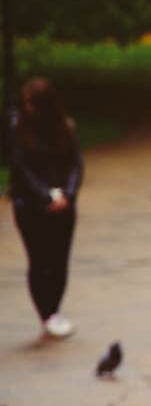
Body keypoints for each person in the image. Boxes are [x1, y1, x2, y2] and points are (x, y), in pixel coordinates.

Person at [8, 78, 83, 339]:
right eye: (25, 103)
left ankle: (54, 310)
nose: (27, 108)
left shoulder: (65, 128)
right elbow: (22, 170)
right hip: (31, 206)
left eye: (32, 103)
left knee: (59, 260)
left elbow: (76, 164)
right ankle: (47, 314)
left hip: (64, 201)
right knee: (39, 260)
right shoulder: (18, 131)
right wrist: (44, 197)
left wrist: (68, 195)